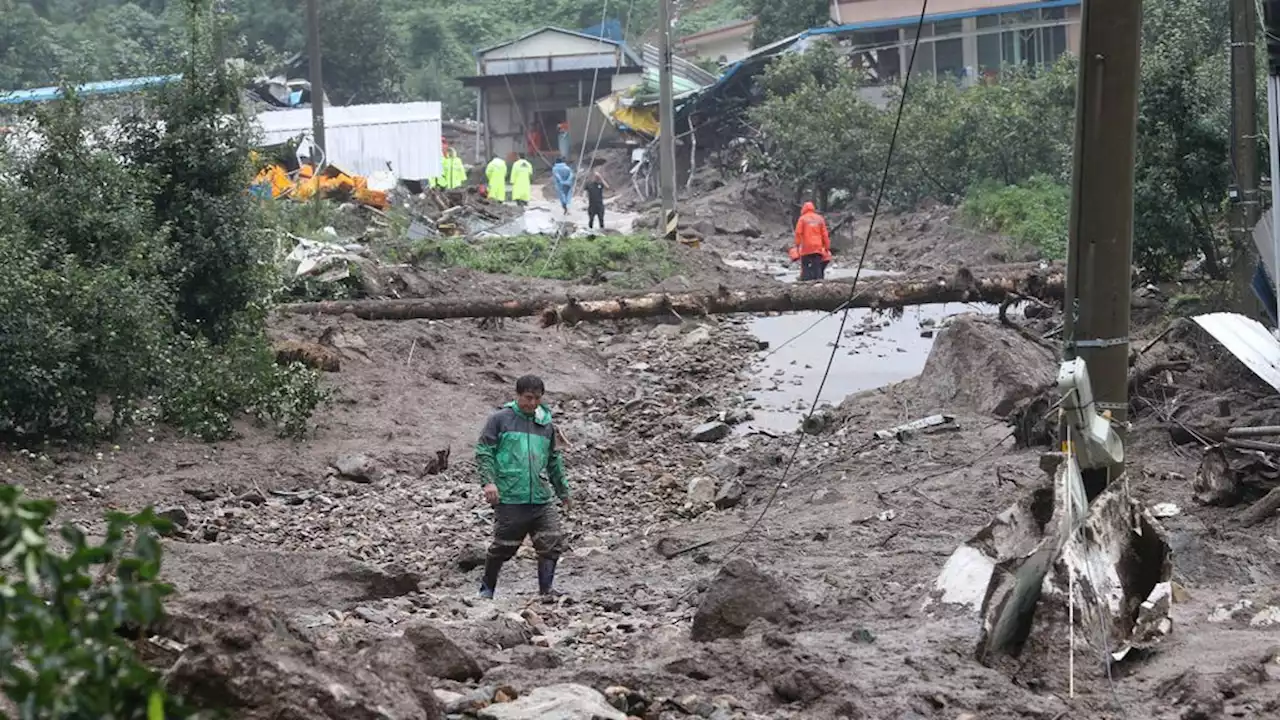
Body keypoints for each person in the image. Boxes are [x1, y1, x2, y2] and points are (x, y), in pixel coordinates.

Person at [474, 375, 570, 600]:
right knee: (503, 547)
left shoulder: (545, 424)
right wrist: (488, 482)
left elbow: (553, 461)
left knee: (551, 541)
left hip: (540, 495)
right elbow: (484, 453)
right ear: (517, 395)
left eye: (537, 398)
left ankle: (546, 591)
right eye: (528, 398)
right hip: (510, 494)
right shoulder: (500, 420)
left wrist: (563, 492)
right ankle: (486, 589)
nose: (533, 403)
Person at [794, 201, 830, 281]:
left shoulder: (802, 219)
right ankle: (819, 282)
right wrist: (827, 247)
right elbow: (825, 234)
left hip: (806, 247)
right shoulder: (820, 218)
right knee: (817, 266)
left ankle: (805, 282)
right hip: (818, 247)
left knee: (805, 266)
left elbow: (798, 233)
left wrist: (797, 245)